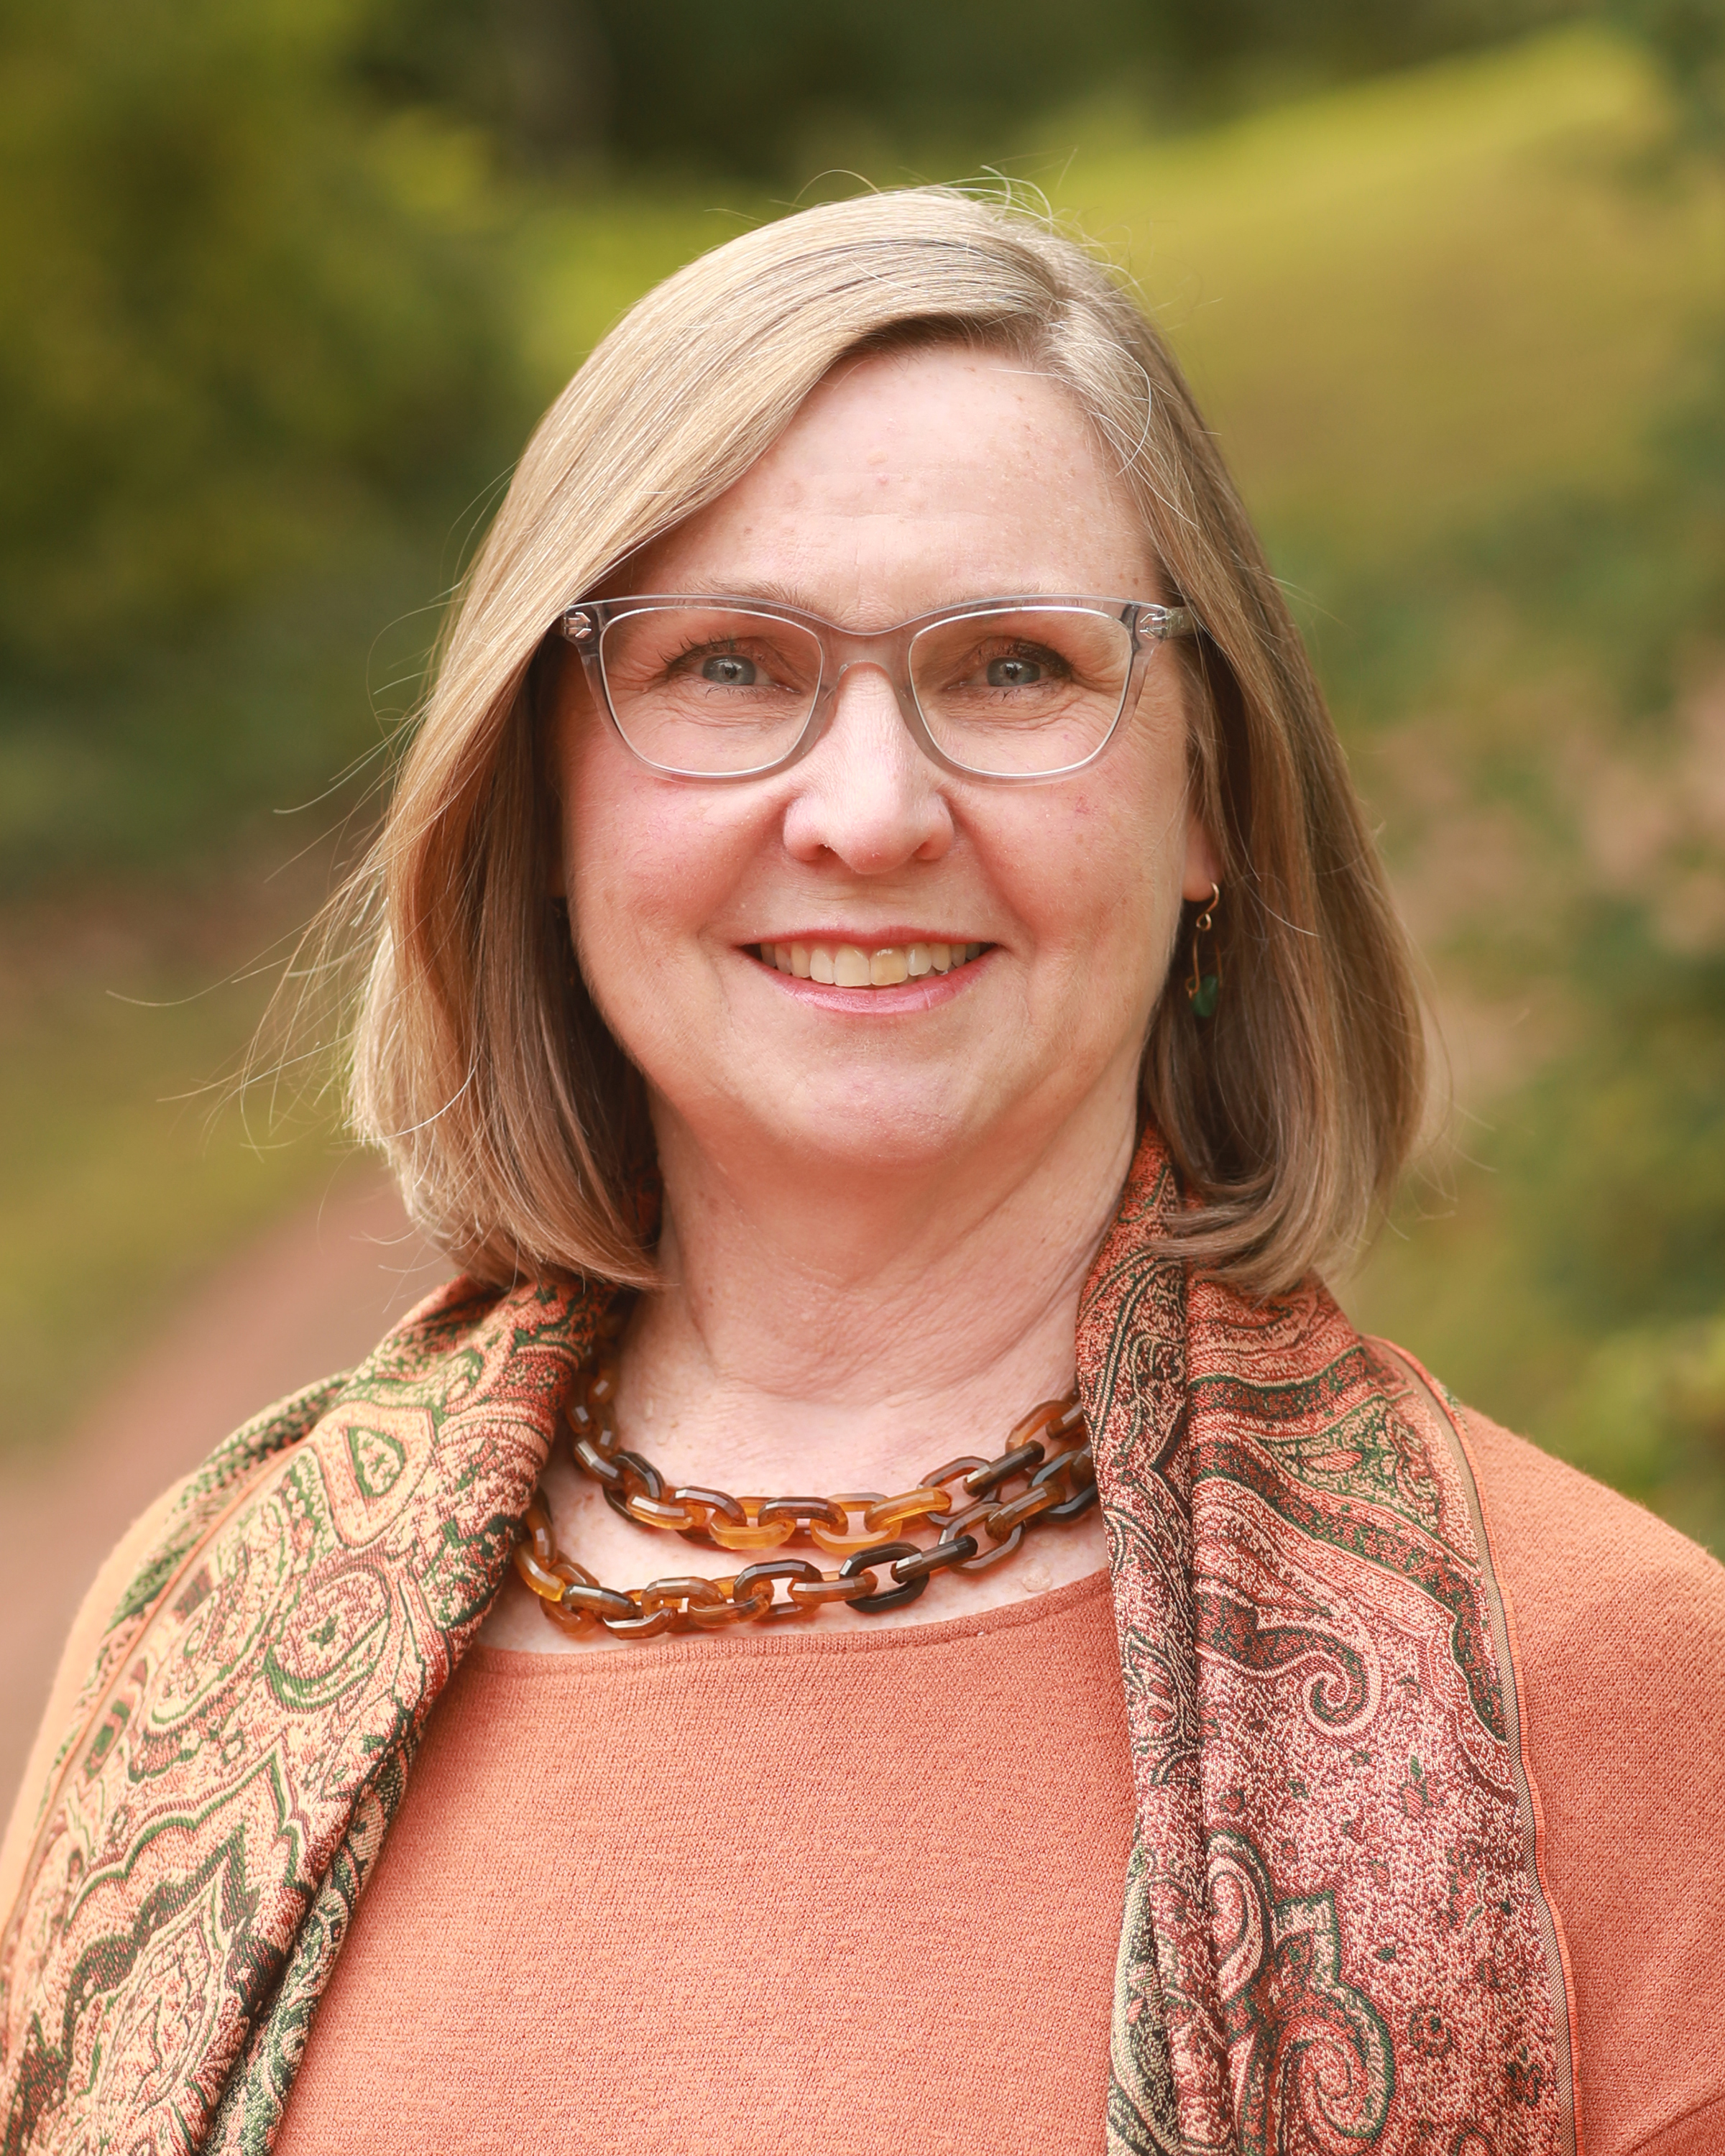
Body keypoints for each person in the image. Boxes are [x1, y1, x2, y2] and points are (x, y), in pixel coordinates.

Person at [1, 187, 1721, 2156]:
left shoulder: (1615, 1706)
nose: (872, 810)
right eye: (728, 665)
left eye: (1013, 669)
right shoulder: (200, 1631)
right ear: (544, 792)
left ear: (1211, 800)